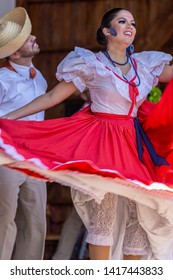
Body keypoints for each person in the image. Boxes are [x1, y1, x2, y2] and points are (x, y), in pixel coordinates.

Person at [0, 7, 173, 260]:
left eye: (133, 23)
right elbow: (51, 97)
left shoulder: (145, 64)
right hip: (103, 141)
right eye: (122, 21)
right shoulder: (91, 64)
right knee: (104, 212)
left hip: (135, 143)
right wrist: (8, 118)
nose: (130, 26)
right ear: (106, 31)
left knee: (141, 213)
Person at [0, 7, 47, 259]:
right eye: (27, 39)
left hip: (34, 157)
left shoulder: (39, 77)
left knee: (36, 222)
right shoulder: (1, 80)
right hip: (6, 156)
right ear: (15, 53)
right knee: (4, 218)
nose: (33, 37)